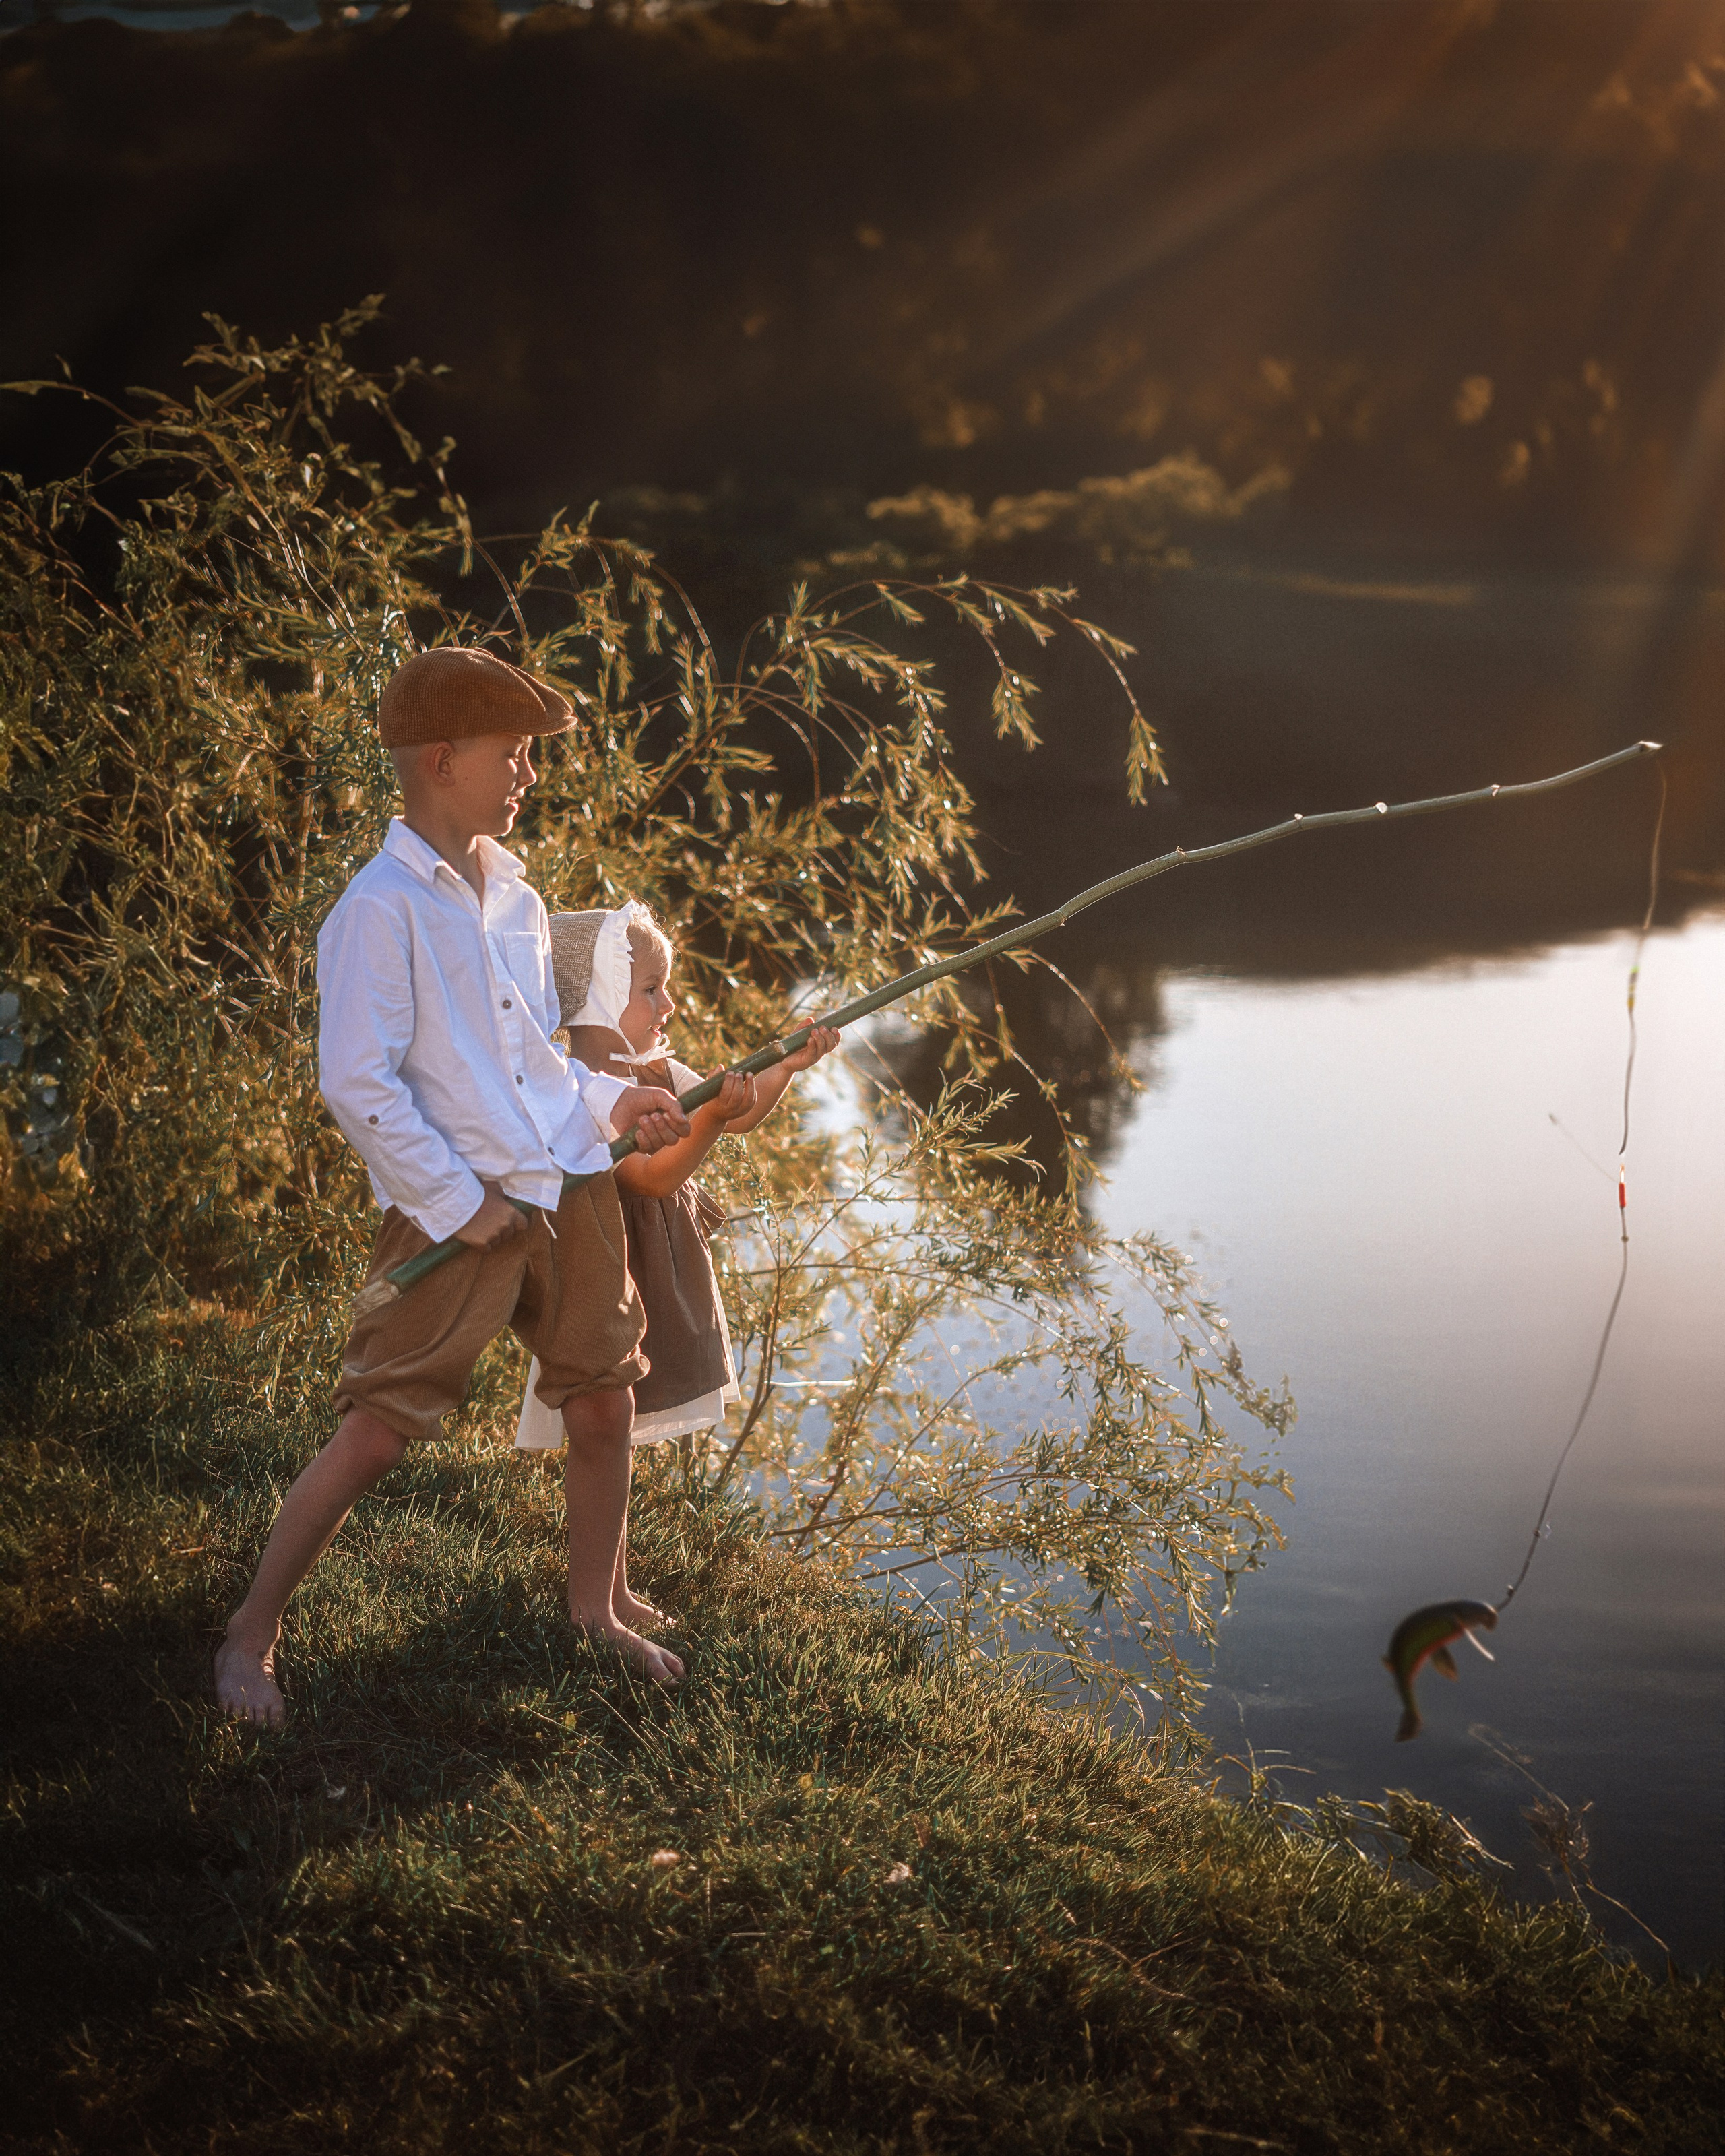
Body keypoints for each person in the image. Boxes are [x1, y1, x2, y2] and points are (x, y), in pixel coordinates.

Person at [213, 645, 691, 1725]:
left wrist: (608, 1107)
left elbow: (531, 1061)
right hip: (464, 1210)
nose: (528, 775)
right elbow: (358, 1081)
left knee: (605, 1398)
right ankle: (250, 1635)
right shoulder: (379, 910)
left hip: (567, 1190)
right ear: (442, 759)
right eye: (512, 756)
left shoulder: (512, 898)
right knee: (379, 1428)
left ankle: (595, 1610)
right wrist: (452, 1200)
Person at [513, 903, 839, 1616]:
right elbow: (652, 1177)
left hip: (651, 1271)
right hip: (610, 1271)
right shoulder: (583, 1083)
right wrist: (711, 1121)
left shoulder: (654, 1065)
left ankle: (613, 1589)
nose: (672, 1003)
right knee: (606, 1422)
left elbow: (742, 1109)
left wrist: (782, 1066)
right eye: (652, 988)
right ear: (600, 994)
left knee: (617, 1428)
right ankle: (603, 1593)